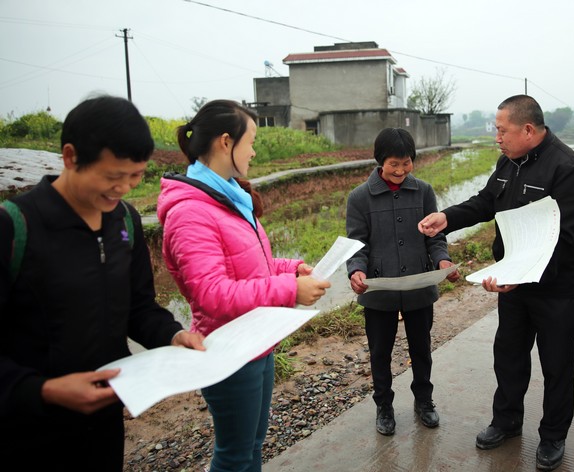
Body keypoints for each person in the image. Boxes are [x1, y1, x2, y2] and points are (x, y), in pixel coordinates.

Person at [0, 95, 206, 470]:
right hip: (23, 430)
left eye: (136, 175)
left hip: (103, 422)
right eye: (113, 176)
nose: (125, 188)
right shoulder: (15, 227)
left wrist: (172, 335)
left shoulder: (123, 221)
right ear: (70, 156)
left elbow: (139, 307)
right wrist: (43, 390)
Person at [418, 95, 574, 470]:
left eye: (502, 130)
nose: (497, 137)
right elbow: (485, 202)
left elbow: (569, 237)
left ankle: (553, 435)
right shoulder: (507, 163)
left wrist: (524, 273)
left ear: (528, 130)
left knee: (557, 361)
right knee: (509, 353)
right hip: (513, 281)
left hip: (554, 286)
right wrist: (445, 218)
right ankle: (507, 421)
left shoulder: (567, 168)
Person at [158, 99, 330, 472]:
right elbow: (212, 294)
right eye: (250, 141)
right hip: (229, 349)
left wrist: (292, 267)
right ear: (225, 142)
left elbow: (252, 264)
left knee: (252, 446)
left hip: (256, 342)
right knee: (234, 455)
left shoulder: (228, 197)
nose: (253, 151)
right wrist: (288, 289)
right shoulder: (191, 212)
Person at [346, 127, 459, 436]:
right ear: (379, 161)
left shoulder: (423, 191)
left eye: (406, 163)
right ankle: (384, 406)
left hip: (418, 285)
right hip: (379, 290)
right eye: (393, 164)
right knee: (379, 353)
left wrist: (443, 260)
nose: (400, 170)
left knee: (422, 348)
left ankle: (424, 401)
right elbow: (357, 245)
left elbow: (435, 239)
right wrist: (356, 270)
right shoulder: (359, 198)